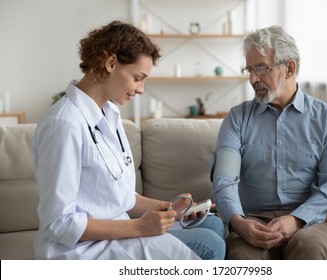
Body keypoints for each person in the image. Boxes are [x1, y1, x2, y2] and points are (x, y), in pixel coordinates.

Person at [32, 20, 225, 260]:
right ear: (111, 63)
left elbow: (120, 198)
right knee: (209, 244)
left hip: (116, 235)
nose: (141, 89)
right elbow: (59, 224)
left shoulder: (109, 115)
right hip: (81, 251)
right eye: (138, 77)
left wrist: (170, 209)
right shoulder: (64, 124)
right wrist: (140, 228)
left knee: (213, 225)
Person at [211, 25, 327, 260]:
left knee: (310, 248)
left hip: (310, 220)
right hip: (252, 218)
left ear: (289, 68)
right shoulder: (237, 118)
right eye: (250, 70)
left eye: (262, 68)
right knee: (241, 259)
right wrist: (237, 221)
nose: (254, 78)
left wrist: (296, 219)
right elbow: (224, 179)